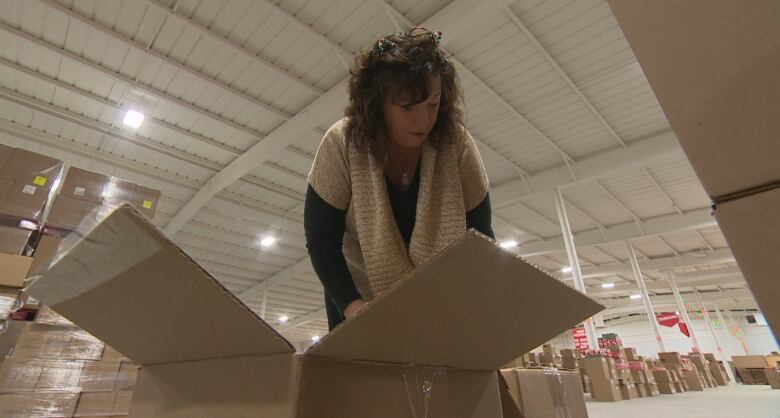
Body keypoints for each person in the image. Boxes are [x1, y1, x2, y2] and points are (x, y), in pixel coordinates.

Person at [304, 28, 494, 331]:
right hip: (358, 299)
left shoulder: (455, 143)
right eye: (407, 108)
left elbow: (481, 235)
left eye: (433, 104)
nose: (424, 121)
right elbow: (321, 240)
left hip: (440, 303)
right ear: (377, 104)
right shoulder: (341, 143)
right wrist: (354, 307)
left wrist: (473, 303)